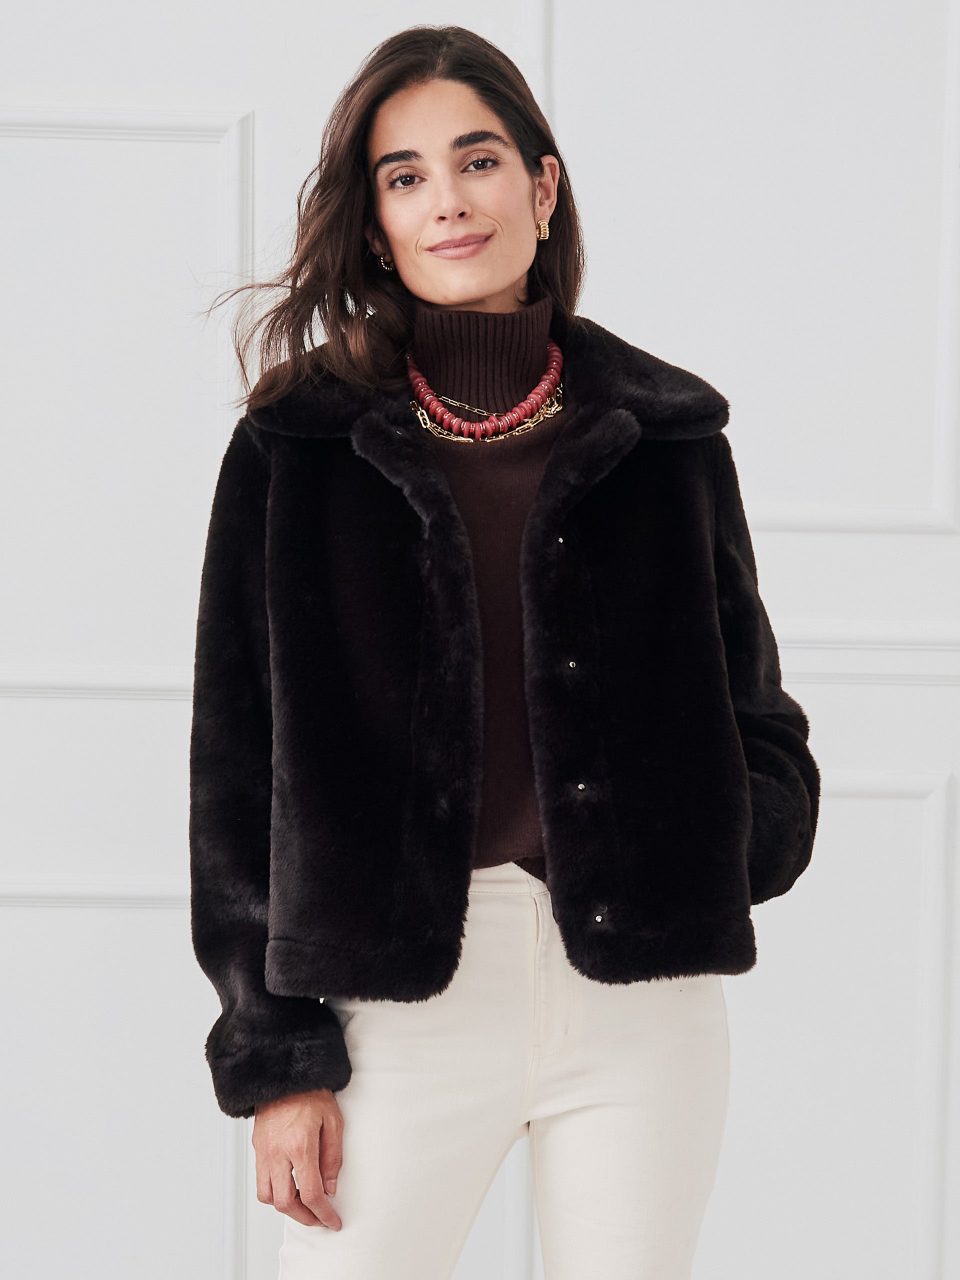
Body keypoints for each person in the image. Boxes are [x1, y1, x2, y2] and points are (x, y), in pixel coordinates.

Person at [189, 24, 821, 1280]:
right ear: (378, 225)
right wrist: (278, 1057)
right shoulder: (296, 444)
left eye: (477, 161)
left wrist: (709, 849)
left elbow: (755, 709)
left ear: (541, 186)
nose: (449, 200)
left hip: (640, 997)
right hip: (396, 996)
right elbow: (236, 769)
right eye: (406, 176)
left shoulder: (667, 434)